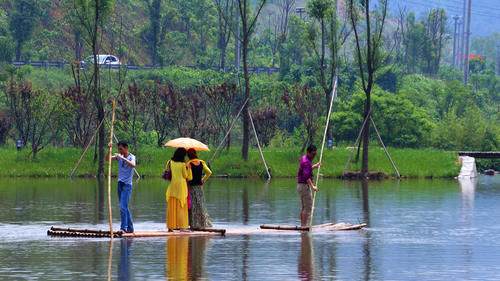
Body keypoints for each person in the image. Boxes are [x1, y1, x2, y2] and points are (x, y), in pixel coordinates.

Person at [107, 141, 136, 233]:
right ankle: (130, 228)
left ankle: (123, 228)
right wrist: (109, 149)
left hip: (127, 185)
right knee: (124, 207)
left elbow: (133, 165)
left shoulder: (132, 157)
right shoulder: (119, 156)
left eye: (121, 149)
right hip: (120, 184)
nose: (120, 151)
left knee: (123, 207)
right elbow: (107, 159)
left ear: (126, 148)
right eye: (119, 149)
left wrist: (122, 158)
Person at [186, 148, 212, 228]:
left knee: (192, 206)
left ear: (188, 156)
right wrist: (202, 180)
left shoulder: (189, 164)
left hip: (191, 187)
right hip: (199, 187)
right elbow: (209, 172)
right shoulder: (202, 163)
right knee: (200, 205)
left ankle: (193, 224)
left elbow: (188, 177)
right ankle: (203, 223)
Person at [166, 148, 190, 231]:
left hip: (173, 185)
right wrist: (188, 168)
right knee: (181, 206)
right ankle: (182, 227)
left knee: (172, 207)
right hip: (181, 186)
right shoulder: (183, 164)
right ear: (183, 155)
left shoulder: (170, 162)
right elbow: (185, 176)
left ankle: (170, 227)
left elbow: (168, 171)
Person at [297, 145, 322, 227]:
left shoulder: (304, 158)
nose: (314, 156)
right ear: (308, 152)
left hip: (300, 186)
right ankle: (304, 226)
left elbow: (307, 169)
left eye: (315, 154)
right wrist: (313, 186)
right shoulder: (307, 161)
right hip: (305, 186)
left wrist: (315, 166)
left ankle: (302, 225)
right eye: (312, 154)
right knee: (308, 207)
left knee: (304, 207)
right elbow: (306, 176)